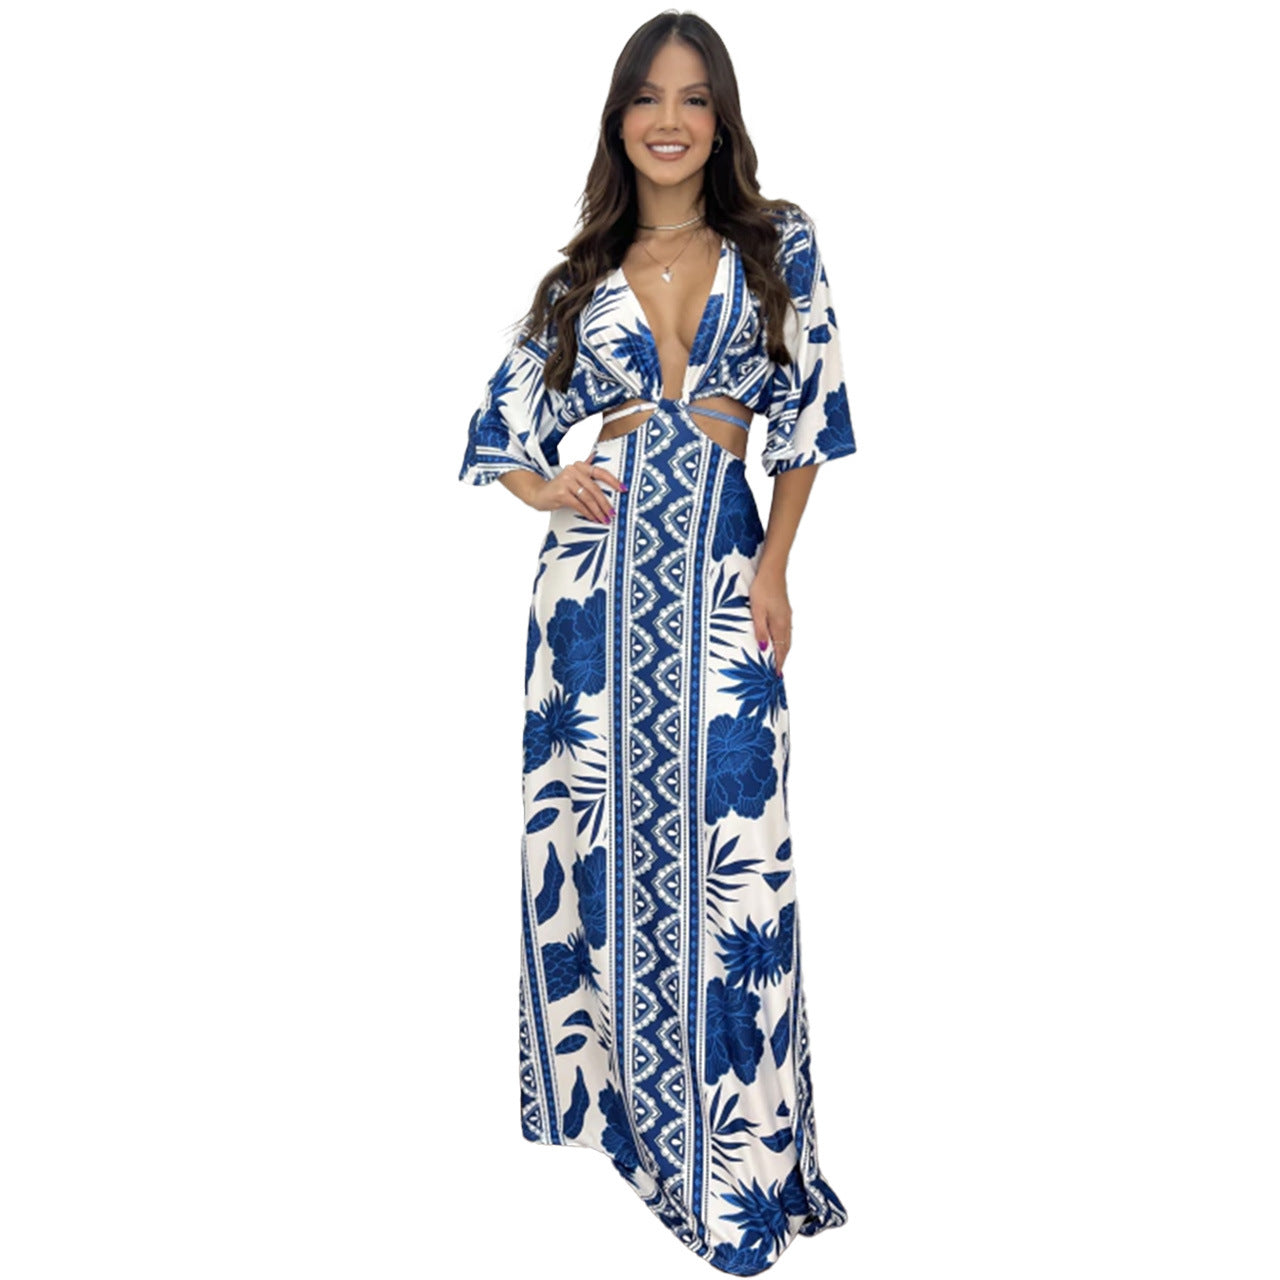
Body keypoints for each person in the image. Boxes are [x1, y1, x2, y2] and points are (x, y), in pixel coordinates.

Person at [458, 13, 855, 1275]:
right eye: (646, 97)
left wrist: (773, 567)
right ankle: (640, 1132)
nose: (668, 120)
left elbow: (810, 413)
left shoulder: (777, 242)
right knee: (600, 838)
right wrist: (546, 486)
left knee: (737, 857)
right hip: (594, 590)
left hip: (718, 572)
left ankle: (744, 1168)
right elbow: (498, 428)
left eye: (692, 97)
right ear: (618, 118)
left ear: (719, 118)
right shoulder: (577, 278)